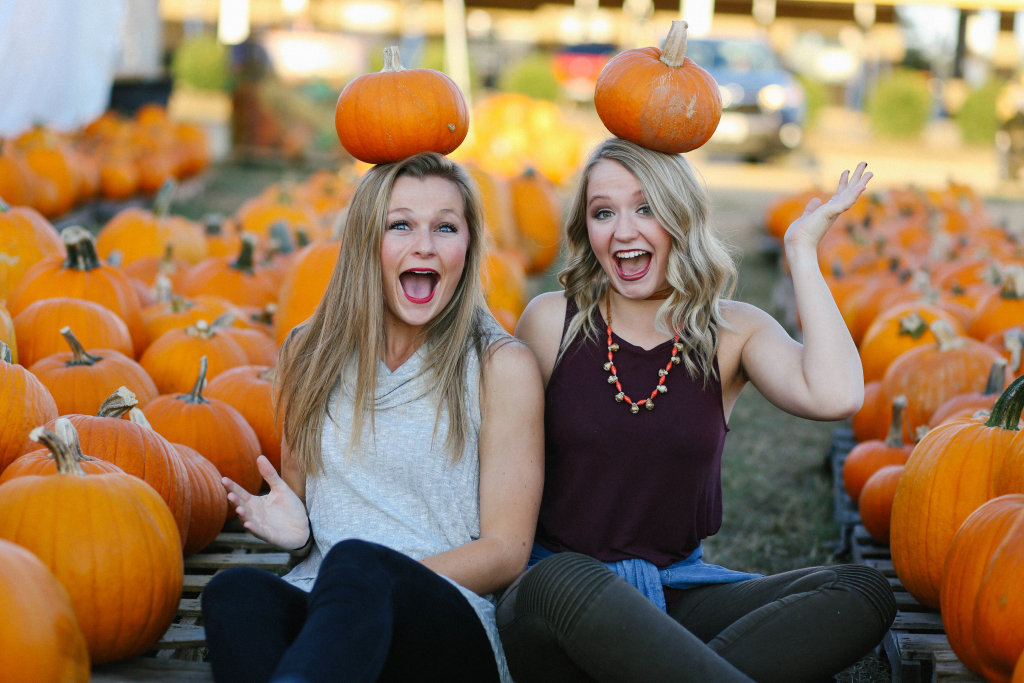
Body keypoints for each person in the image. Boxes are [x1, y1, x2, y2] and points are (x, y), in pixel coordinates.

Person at [501, 138, 896, 683]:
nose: (622, 231)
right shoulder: (552, 322)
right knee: (567, 580)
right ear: (586, 230)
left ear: (680, 218)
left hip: (675, 593)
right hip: (559, 594)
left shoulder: (730, 331)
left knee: (860, 591)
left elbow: (836, 396)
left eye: (646, 208)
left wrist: (802, 250)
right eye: (603, 212)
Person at [200, 152, 544, 683]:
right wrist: (296, 527)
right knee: (235, 592)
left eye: (445, 227)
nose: (424, 245)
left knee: (359, 563)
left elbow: (506, 551)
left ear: (467, 246)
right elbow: (305, 501)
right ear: (365, 242)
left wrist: (378, 581)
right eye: (400, 225)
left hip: (443, 626)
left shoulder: (500, 366)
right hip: (330, 617)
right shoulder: (307, 352)